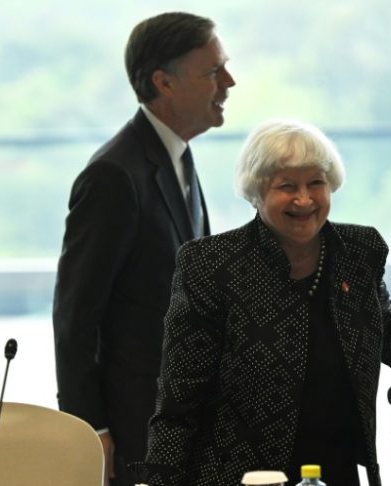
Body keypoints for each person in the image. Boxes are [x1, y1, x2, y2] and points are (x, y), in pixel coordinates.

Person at [133, 119, 391, 486]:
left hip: (335, 464)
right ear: (257, 191)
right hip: (242, 474)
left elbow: (388, 325)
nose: (304, 199)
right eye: (287, 186)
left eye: (316, 183)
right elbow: (181, 392)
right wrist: (162, 479)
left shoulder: (359, 252)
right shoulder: (212, 264)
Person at [53, 12, 235, 486]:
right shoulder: (115, 176)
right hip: (134, 434)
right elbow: (76, 317)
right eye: (214, 72)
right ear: (163, 82)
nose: (230, 82)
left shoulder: (180, 158)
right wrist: (90, 429)